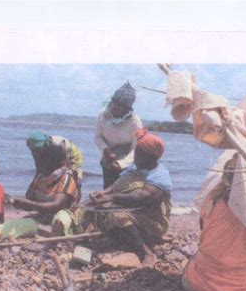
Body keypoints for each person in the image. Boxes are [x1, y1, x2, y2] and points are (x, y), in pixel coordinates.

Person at [182, 156, 246, 291]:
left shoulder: (211, 200)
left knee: (196, 256)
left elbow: (204, 231)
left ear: (225, 178)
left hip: (198, 286)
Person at [88, 128, 172, 267]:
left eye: (138, 154)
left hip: (153, 221)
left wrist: (112, 198)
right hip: (135, 213)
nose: (135, 157)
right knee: (96, 211)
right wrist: (104, 193)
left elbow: (142, 197)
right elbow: (118, 183)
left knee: (117, 217)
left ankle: (145, 253)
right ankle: (123, 238)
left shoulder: (159, 175)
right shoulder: (135, 167)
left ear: (150, 157)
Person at [12, 144, 80, 236]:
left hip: (63, 215)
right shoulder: (41, 177)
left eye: (44, 162)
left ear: (54, 164)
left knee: (60, 221)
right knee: (21, 223)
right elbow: (31, 200)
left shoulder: (66, 178)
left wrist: (29, 203)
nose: (41, 165)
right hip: (44, 216)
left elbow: (57, 204)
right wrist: (21, 204)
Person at [94, 82, 143, 188]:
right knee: (107, 187)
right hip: (108, 156)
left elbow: (137, 148)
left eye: (122, 107)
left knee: (122, 189)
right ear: (112, 102)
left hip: (127, 159)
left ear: (128, 109)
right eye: (116, 105)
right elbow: (98, 137)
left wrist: (121, 164)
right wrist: (106, 150)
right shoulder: (103, 115)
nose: (117, 109)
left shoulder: (135, 121)